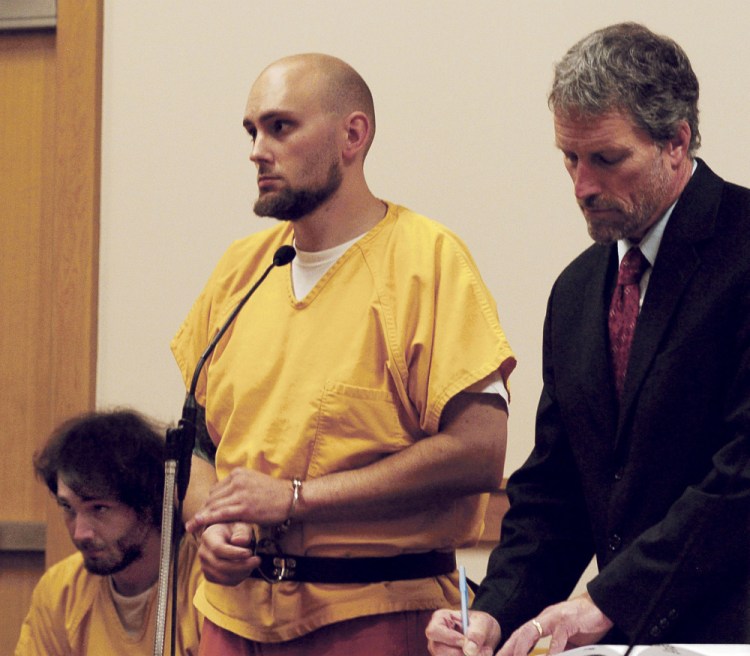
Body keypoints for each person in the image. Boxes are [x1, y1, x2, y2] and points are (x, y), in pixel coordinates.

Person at [174, 53, 515, 655]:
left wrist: (297, 500)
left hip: (373, 613)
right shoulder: (241, 270)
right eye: (251, 130)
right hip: (232, 618)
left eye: (280, 127)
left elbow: (478, 453)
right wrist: (211, 524)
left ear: (352, 136)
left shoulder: (427, 261)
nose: (257, 149)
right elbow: (201, 439)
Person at [426, 22, 750, 656]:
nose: (581, 186)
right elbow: (556, 487)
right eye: (569, 158)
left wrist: (605, 601)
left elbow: (742, 477)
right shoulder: (577, 290)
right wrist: (495, 610)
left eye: (607, 159)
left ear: (676, 142)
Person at [15, 409, 203, 655]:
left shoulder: (205, 582)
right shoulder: (61, 590)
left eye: (99, 508)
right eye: (68, 508)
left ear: (147, 505)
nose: (80, 533)